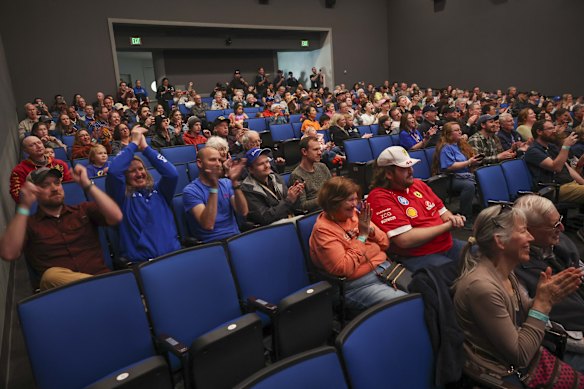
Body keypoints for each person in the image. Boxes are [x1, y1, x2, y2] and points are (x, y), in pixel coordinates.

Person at [453, 204, 584, 386]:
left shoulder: (505, 271)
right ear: (500, 241)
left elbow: (521, 317)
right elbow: (521, 356)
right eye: (524, 231)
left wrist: (548, 296)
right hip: (502, 372)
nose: (530, 237)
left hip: (523, 358)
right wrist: (542, 304)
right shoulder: (481, 287)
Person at [0, 165, 123, 290]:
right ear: (34, 192)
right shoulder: (29, 224)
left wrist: (87, 185)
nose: (54, 188)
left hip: (100, 275)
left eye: (57, 183)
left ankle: (101, 287)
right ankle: (104, 287)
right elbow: (8, 253)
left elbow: (116, 216)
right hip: (62, 294)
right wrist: (24, 206)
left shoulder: (83, 210)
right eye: (45, 185)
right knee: (50, 276)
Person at [309, 176, 407, 312]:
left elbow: (384, 243)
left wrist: (371, 232)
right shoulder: (323, 230)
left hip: (386, 270)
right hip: (356, 285)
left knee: (424, 288)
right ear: (334, 203)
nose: (355, 204)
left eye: (356, 199)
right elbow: (343, 268)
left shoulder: (353, 214)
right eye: (350, 200)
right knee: (406, 304)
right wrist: (363, 238)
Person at [367, 146, 467, 271]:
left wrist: (452, 219)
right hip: (418, 255)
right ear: (388, 174)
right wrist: (446, 226)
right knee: (451, 272)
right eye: (404, 168)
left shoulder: (418, 184)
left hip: (446, 244)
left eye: (410, 166)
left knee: (481, 253)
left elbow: (443, 211)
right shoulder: (379, 197)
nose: (411, 171)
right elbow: (405, 240)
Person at [514, 195, 584, 369]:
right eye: (554, 225)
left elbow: (580, 267)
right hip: (567, 338)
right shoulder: (514, 269)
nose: (562, 227)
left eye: (559, 220)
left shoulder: (559, 241)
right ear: (528, 230)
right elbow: (544, 328)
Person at [106, 126, 181, 263]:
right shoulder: (121, 197)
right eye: (132, 171)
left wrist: (146, 149)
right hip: (143, 264)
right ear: (125, 177)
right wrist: (133, 144)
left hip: (174, 256)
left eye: (141, 169)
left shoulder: (160, 191)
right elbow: (113, 172)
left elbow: (172, 174)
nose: (139, 173)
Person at [183, 147, 248, 243]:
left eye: (219, 160)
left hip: (235, 237)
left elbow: (243, 212)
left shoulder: (226, 183)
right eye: (213, 160)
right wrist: (214, 188)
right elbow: (208, 225)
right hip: (212, 243)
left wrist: (234, 182)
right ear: (200, 163)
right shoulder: (191, 191)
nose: (218, 164)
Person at [433, 122, 482, 226]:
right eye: (456, 130)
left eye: (459, 129)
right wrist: (469, 162)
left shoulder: (459, 145)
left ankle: (482, 210)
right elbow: (448, 166)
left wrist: (473, 162)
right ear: (448, 134)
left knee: (482, 177)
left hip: (464, 175)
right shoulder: (446, 148)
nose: (460, 132)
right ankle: (465, 216)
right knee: (468, 186)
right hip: (450, 178)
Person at [241, 148, 304, 226]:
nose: (266, 166)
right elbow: (265, 217)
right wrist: (289, 200)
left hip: (289, 219)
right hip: (271, 228)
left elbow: (292, 207)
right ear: (251, 169)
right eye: (261, 164)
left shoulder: (276, 178)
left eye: (267, 162)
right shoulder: (247, 189)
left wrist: (295, 195)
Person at [10, 136, 72, 202]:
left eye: (39, 143)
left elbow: (70, 186)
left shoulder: (60, 164)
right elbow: (17, 196)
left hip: (63, 200)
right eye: (32, 145)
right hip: (39, 205)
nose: (38, 146)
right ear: (25, 151)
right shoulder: (19, 170)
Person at [289, 136, 332, 212]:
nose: (319, 153)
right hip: (316, 214)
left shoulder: (322, 166)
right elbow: (302, 206)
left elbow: (333, 188)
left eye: (319, 149)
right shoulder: (296, 175)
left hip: (331, 207)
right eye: (315, 150)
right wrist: (324, 199)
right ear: (304, 152)